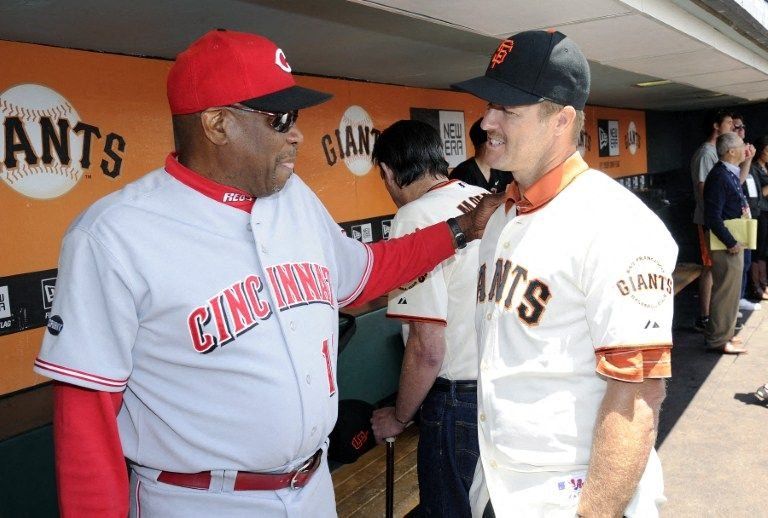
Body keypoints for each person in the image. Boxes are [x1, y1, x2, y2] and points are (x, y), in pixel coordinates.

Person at [32, 30, 503, 518]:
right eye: (280, 119)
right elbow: (85, 420)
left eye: (295, 117)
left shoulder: (294, 197)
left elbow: (365, 273)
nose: (295, 133)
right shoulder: (114, 235)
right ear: (217, 124)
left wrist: (462, 228)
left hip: (314, 487)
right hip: (200, 500)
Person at [452, 30, 678, 517]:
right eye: (490, 104)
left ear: (561, 120)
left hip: (573, 496)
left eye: (508, 110)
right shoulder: (501, 221)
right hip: (495, 487)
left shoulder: (617, 224)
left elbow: (637, 396)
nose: (487, 120)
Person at [369, 120, 486, 517]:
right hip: (503, 392)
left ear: (387, 171)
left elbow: (427, 348)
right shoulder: (483, 199)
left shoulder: (413, 219)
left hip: (458, 403)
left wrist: (399, 417)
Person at [703, 132, 755, 355]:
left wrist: (749, 160)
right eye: (742, 145)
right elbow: (712, 216)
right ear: (731, 151)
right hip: (727, 244)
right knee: (725, 291)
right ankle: (717, 339)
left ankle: (726, 334)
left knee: (731, 292)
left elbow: (740, 182)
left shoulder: (728, 173)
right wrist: (730, 241)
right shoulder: (719, 176)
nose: (746, 147)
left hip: (733, 241)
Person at [690, 111, 735, 331]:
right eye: (728, 122)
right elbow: (702, 187)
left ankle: (714, 316)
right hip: (708, 219)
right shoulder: (707, 153)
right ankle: (705, 317)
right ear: (716, 126)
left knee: (714, 266)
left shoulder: (717, 152)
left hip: (716, 219)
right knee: (709, 267)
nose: (732, 125)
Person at [449, 118, 512, 193]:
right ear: (488, 143)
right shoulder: (461, 174)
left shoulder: (502, 169)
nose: (501, 145)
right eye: (498, 141)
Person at [748, 135, 768, 299]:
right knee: (758, 250)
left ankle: (764, 282)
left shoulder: (766, 168)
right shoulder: (753, 169)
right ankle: (755, 286)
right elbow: (758, 194)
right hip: (760, 213)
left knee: (764, 250)